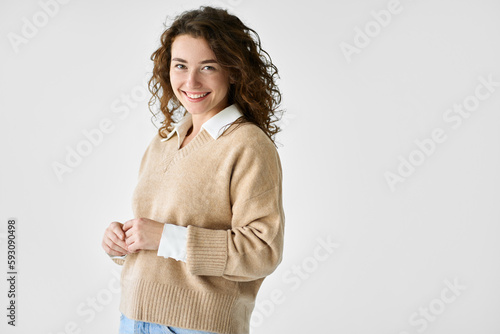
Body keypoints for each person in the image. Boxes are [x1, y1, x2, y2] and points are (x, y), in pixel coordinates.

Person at [101, 6, 285, 334]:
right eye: (180, 66)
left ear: (233, 71)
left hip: (198, 326)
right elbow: (156, 230)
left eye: (208, 67)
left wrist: (168, 238)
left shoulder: (247, 145)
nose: (191, 81)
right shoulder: (165, 141)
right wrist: (123, 242)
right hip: (133, 317)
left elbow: (263, 251)